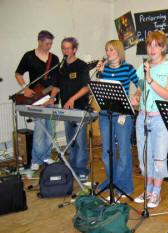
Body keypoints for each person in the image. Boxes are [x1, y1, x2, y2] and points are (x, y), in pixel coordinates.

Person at [131, 31, 168, 208]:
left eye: (156, 45)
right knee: (144, 158)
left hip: (160, 119)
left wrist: (150, 79)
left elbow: (167, 94)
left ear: (163, 47)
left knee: (158, 158)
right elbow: (140, 88)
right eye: (149, 45)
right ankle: (148, 188)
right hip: (143, 117)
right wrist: (136, 96)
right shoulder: (143, 67)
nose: (152, 49)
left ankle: (156, 193)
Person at [96, 40, 139, 199]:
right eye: (107, 50)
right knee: (107, 152)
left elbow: (140, 83)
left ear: (119, 51)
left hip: (122, 115)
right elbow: (100, 89)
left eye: (111, 50)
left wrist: (136, 95)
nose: (108, 53)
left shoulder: (128, 68)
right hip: (105, 114)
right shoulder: (104, 68)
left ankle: (124, 185)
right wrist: (99, 73)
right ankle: (111, 180)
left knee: (124, 152)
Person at [45, 37, 90, 182]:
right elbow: (56, 86)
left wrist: (73, 99)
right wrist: (52, 98)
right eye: (63, 48)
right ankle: (72, 168)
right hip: (65, 109)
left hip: (79, 108)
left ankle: (82, 170)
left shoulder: (82, 66)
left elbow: (86, 87)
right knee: (70, 141)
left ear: (75, 49)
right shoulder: (61, 67)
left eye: (68, 48)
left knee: (80, 141)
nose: (65, 51)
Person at [15, 30, 59, 170]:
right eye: (47, 44)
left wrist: (52, 97)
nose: (49, 46)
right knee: (39, 130)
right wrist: (25, 88)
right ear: (39, 41)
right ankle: (36, 159)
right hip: (37, 100)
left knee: (50, 131)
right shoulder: (29, 56)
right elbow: (18, 73)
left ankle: (46, 156)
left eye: (51, 44)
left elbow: (58, 81)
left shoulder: (55, 59)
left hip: (51, 99)